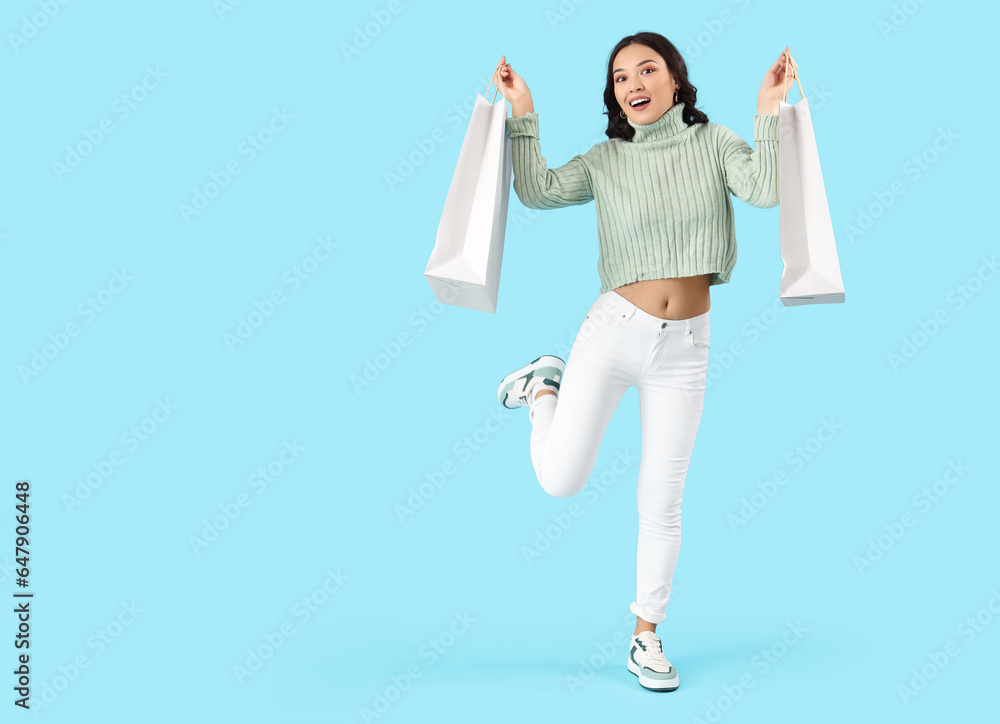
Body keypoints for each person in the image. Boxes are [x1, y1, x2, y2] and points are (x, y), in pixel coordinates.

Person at [494, 32, 797, 692]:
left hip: (686, 347)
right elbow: (539, 192)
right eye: (620, 75)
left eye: (648, 69)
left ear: (676, 80)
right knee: (561, 481)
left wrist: (768, 106)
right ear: (614, 95)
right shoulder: (606, 160)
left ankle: (645, 636)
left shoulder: (714, 143)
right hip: (612, 333)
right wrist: (524, 111)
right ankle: (547, 388)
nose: (633, 82)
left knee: (662, 499)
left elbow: (766, 190)